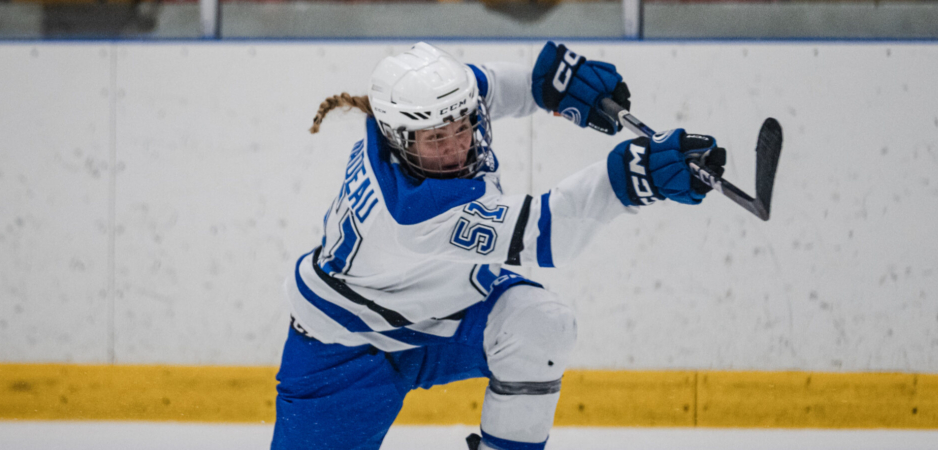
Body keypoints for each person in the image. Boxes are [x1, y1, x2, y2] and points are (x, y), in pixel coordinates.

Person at [273, 41, 727, 450]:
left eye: (461, 127)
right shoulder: (412, 214)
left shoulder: (418, 113)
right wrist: (633, 175)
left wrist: (545, 86)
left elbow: (485, 86)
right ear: (399, 136)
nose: (455, 148)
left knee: (540, 326)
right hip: (343, 355)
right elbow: (550, 233)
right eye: (435, 139)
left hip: (442, 313)